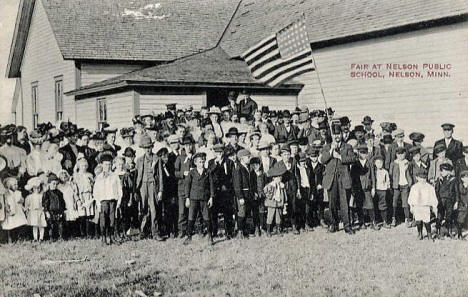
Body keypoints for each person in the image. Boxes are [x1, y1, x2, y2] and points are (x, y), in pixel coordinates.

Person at [319, 122, 356, 234]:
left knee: (344, 203)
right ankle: (333, 224)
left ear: (341, 134)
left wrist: (339, 156)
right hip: (331, 179)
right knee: (332, 203)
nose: (336, 136)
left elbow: (353, 159)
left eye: (338, 134)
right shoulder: (326, 147)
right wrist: (331, 151)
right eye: (334, 134)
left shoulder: (347, 147)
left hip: (343, 178)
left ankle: (347, 226)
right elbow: (323, 160)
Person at [136, 135, 164, 241]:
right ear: (143, 148)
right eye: (145, 147)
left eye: (149, 147)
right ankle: (143, 231)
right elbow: (137, 176)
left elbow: (160, 175)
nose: (148, 149)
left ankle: (155, 232)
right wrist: (137, 190)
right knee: (143, 209)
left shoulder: (157, 159)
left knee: (154, 209)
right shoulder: (139, 160)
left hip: (153, 185)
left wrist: (160, 190)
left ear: (152, 147)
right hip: (142, 186)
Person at [183, 152, 215, 245]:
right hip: (193, 198)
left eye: (203, 162)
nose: (202, 164)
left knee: (207, 217)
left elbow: (211, 186)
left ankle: (210, 236)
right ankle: (189, 236)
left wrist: (211, 197)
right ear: (195, 162)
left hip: (204, 199)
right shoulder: (192, 173)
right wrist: (187, 198)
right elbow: (187, 186)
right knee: (191, 217)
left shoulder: (208, 172)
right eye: (200, 162)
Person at [93, 152, 122, 245]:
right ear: (102, 165)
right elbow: (96, 192)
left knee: (112, 221)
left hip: (112, 201)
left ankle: (112, 236)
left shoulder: (115, 176)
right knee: (103, 221)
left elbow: (119, 190)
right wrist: (98, 203)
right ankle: (103, 238)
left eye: (109, 164)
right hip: (103, 202)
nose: (108, 166)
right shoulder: (99, 177)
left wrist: (119, 202)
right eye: (106, 164)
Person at [207, 143, 235, 239]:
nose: (218, 154)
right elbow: (210, 174)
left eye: (220, 152)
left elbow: (231, 176)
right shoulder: (211, 162)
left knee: (227, 212)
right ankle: (214, 231)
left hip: (226, 191)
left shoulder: (229, 162)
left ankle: (229, 232)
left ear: (223, 152)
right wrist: (216, 164)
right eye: (216, 152)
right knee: (213, 213)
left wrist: (227, 186)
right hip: (215, 191)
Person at [351, 145, 377, 230]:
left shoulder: (370, 163)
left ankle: (373, 222)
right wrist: (353, 189)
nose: (363, 155)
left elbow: (373, 176)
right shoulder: (355, 163)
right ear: (358, 153)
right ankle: (361, 222)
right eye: (361, 153)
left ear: (367, 153)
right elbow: (353, 177)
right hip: (358, 188)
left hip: (367, 188)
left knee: (370, 205)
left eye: (365, 153)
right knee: (359, 206)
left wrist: (373, 187)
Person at [408, 170, 438, 240]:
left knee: (427, 221)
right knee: (418, 221)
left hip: (425, 206)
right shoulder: (414, 187)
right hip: (417, 206)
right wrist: (411, 207)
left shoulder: (430, 187)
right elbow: (411, 198)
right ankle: (420, 234)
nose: (422, 180)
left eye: (424, 178)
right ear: (417, 178)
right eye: (421, 178)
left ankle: (429, 235)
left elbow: (433, 197)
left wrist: (434, 206)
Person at [390, 147, 413, 227]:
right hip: (396, 185)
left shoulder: (408, 163)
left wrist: (410, 183)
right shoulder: (394, 163)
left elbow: (410, 173)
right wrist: (392, 185)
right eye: (399, 154)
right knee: (394, 202)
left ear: (405, 154)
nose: (400, 156)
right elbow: (391, 175)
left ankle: (407, 218)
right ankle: (393, 218)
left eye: (402, 154)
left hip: (405, 185)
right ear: (396, 155)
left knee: (405, 202)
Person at [73, 155, 96, 238]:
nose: (84, 167)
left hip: (89, 195)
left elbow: (93, 186)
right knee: (81, 214)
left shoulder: (90, 175)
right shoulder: (76, 176)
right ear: (79, 166)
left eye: (85, 165)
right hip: (81, 195)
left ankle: (89, 233)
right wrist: (78, 199)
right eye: (82, 165)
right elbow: (74, 189)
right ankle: (81, 233)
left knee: (89, 215)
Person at [232, 149, 253, 239]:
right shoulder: (238, 169)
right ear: (241, 159)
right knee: (241, 213)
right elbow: (237, 185)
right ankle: (240, 232)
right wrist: (240, 197)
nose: (249, 158)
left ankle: (244, 231)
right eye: (247, 157)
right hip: (242, 195)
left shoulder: (247, 168)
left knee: (246, 212)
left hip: (248, 194)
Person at [263, 164, 287, 237]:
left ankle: (278, 229)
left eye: (280, 177)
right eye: (278, 178)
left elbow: (284, 194)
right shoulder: (270, 185)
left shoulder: (282, 186)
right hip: (272, 204)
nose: (279, 179)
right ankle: (268, 230)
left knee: (278, 217)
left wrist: (285, 202)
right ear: (273, 178)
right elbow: (266, 192)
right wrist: (272, 196)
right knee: (270, 217)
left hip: (279, 203)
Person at [434, 163, 457, 239]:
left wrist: (456, 201)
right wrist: (436, 200)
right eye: (441, 171)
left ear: (448, 171)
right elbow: (436, 191)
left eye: (443, 171)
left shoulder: (453, 179)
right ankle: (438, 232)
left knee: (449, 216)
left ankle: (449, 232)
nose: (441, 172)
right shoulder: (439, 179)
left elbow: (456, 191)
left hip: (450, 200)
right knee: (439, 216)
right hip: (441, 200)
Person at [1, 177, 28, 243]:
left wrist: (22, 201)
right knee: (10, 225)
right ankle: (10, 239)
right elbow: (6, 202)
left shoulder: (18, 192)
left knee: (19, 223)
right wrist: (7, 209)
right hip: (11, 210)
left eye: (17, 184)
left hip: (18, 210)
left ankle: (18, 237)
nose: (16, 186)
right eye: (14, 185)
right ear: (9, 185)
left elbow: (21, 201)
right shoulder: (6, 194)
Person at [43, 173, 66, 241]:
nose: (55, 185)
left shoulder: (59, 193)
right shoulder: (46, 193)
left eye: (56, 184)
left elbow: (62, 202)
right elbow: (45, 204)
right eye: (53, 183)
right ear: (49, 184)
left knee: (60, 224)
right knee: (51, 225)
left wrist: (62, 211)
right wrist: (46, 212)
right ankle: (51, 237)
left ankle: (60, 236)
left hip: (59, 211)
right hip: (51, 211)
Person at [296, 152, 314, 231]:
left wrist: (312, 192)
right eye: (301, 162)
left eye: (304, 161)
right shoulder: (297, 170)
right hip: (301, 190)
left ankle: (307, 224)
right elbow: (296, 181)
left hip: (308, 189)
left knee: (308, 208)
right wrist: (298, 190)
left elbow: (312, 181)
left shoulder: (308, 169)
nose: (303, 163)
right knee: (301, 208)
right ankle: (301, 225)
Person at [24, 177, 47, 242]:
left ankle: (41, 238)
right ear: (32, 189)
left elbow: (44, 203)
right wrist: (27, 210)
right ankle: (35, 238)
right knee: (35, 225)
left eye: (38, 188)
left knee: (41, 225)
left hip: (40, 211)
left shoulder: (41, 195)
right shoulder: (29, 197)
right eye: (35, 188)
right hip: (33, 212)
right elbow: (26, 205)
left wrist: (44, 209)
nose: (37, 189)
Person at [372, 155, 391, 228]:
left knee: (383, 205)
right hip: (376, 190)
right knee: (374, 205)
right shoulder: (374, 171)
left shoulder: (385, 171)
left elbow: (387, 181)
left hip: (383, 190)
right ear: (375, 163)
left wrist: (387, 187)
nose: (379, 164)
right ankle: (376, 221)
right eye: (377, 163)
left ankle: (385, 221)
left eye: (381, 163)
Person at [249, 157, 265, 236]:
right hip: (255, 196)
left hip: (262, 195)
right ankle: (256, 227)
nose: (255, 166)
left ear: (260, 165)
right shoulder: (251, 174)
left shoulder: (263, 174)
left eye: (257, 164)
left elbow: (265, 183)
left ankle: (263, 227)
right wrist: (254, 192)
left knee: (262, 211)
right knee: (255, 212)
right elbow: (251, 185)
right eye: (253, 165)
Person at [456, 170, 468, 240]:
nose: (465, 179)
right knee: (460, 219)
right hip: (463, 204)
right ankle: (459, 234)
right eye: (463, 177)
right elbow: (459, 195)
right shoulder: (459, 185)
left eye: (467, 177)